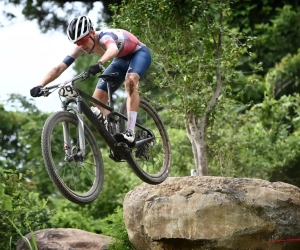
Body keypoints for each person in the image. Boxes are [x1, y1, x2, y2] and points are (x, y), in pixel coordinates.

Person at [30, 15, 152, 144]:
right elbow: (59, 68)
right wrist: (40, 85)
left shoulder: (105, 36)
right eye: (77, 43)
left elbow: (113, 49)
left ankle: (130, 132)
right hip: (119, 60)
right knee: (97, 99)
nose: (81, 45)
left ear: (92, 33)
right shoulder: (80, 47)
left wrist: (100, 63)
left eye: (82, 41)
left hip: (139, 53)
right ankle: (115, 131)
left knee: (131, 80)